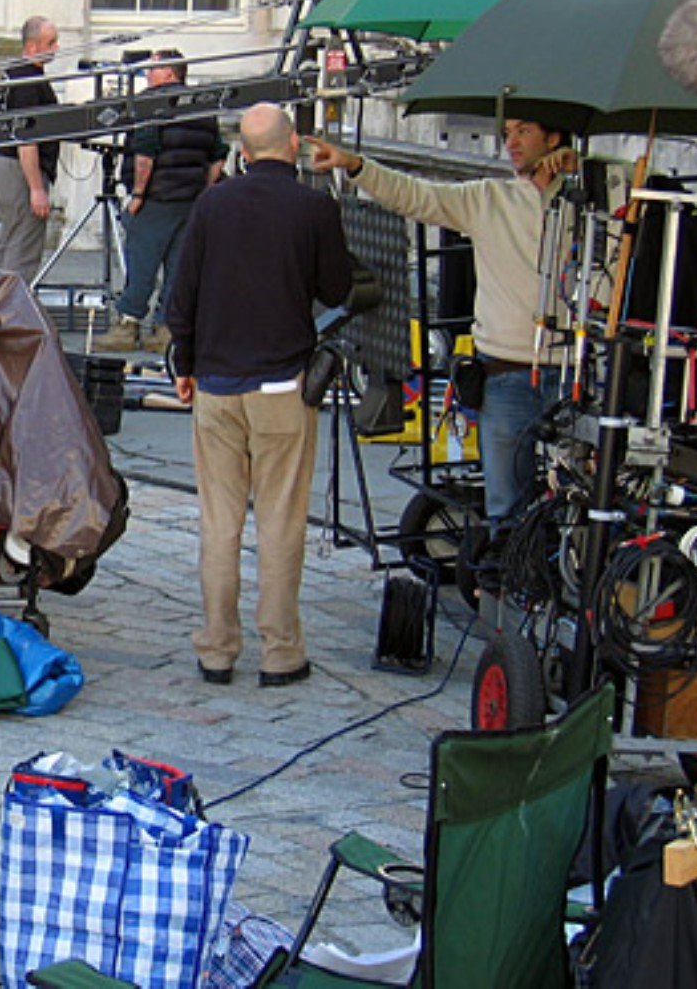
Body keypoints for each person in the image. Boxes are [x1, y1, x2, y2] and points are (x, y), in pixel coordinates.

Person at [307, 118, 577, 526]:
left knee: (578, 501)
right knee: (505, 506)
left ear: (553, 136)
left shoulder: (586, 200)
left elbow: (645, 192)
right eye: (506, 134)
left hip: (574, 374)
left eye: (523, 132)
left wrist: (587, 168)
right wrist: (356, 165)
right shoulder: (490, 198)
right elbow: (416, 196)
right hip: (506, 373)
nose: (512, 143)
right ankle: (506, 586)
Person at [167, 103, 354, 688]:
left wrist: (186, 364)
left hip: (217, 386)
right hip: (282, 384)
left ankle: (217, 650)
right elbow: (339, 287)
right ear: (294, 144)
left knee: (219, 524)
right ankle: (281, 652)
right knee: (280, 521)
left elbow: (181, 298)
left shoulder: (211, 203)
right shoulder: (313, 206)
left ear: (241, 153)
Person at [98, 48, 227, 353]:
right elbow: (218, 155)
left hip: (156, 198)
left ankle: (127, 326)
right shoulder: (202, 105)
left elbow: (146, 152)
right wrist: (204, 191)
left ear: (170, 73)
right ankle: (166, 330)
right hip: (190, 200)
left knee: (142, 262)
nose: (146, 75)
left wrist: (138, 194)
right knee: (178, 267)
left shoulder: (151, 103)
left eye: (152, 70)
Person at [0, 15, 61, 284]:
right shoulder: (26, 81)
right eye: (51, 42)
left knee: (11, 241)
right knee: (23, 247)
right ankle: (9, 313)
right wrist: (36, 188)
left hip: (10, 167)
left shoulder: (17, 74)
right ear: (32, 47)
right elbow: (26, 139)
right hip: (21, 170)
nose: (57, 48)